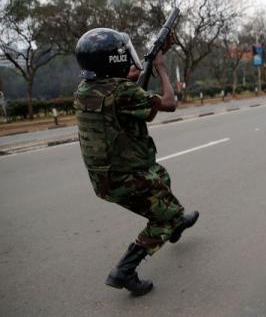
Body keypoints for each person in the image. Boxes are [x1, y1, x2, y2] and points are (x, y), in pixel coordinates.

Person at [73, 28, 199, 296]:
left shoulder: (85, 90)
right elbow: (168, 103)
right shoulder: (122, 92)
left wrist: (137, 74)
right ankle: (125, 271)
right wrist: (162, 68)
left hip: (105, 177)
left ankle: (174, 224)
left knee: (160, 175)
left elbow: (127, 99)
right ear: (114, 60)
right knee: (165, 217)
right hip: (126, 177)